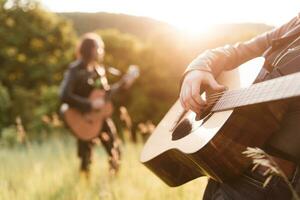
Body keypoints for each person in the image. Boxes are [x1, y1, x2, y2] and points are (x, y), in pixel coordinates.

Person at [180, 14, 300, 199]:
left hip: (267, 183)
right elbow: (237, 51)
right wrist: (200, 67)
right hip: (225, 165)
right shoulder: (295, 23)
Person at [59, 33, 121, 178]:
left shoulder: (98, 70)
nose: (101, 52)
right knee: (85, 157)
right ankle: (83, 186)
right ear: (91, 49)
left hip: (100, 118)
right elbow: (64, 95)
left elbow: (105, 94)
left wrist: (123, 85)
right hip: (81, 119)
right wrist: (89, 104)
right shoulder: (75, 70)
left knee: (115, 150)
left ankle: (113, 182)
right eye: (99, 48)